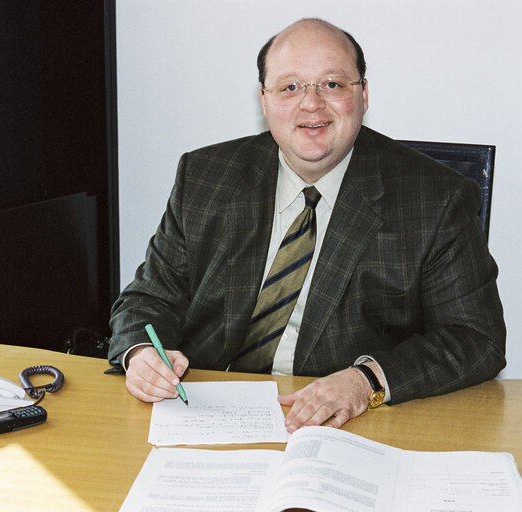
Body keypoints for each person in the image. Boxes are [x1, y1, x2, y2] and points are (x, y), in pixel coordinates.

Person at [107, 18, 505, 432]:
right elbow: (149, 299)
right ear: (264, 100)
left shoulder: (435, 198)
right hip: (204, 413)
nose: (311, 104)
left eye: (332, 84)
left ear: (363, 95)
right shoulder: (206, 176)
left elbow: (476, 338)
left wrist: (364, 380)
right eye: (290, 87)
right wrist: (140, 354)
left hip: (348, 426)